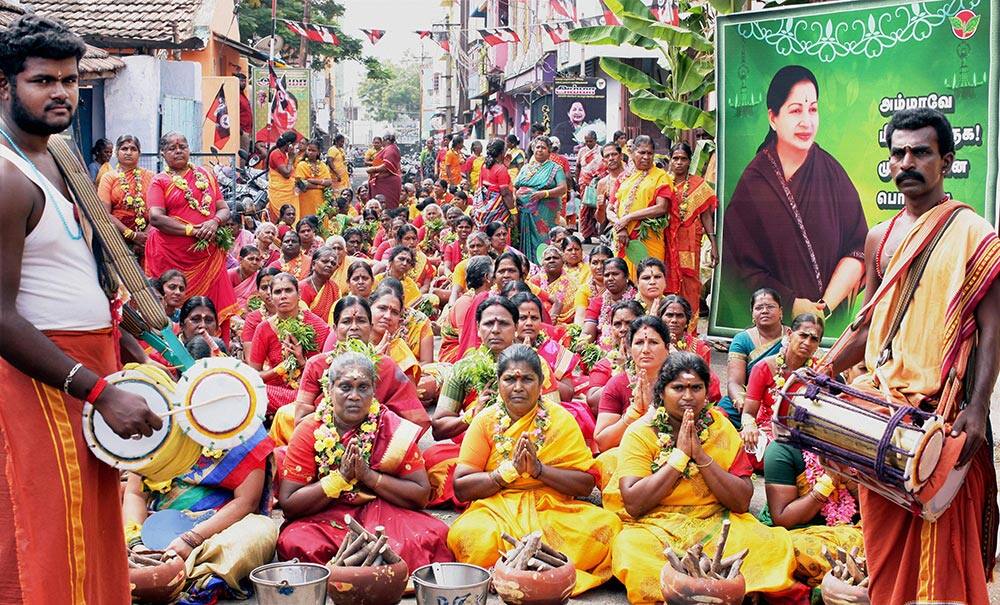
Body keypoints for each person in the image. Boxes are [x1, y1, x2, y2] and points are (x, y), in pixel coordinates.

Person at [0, 15, 162, 602]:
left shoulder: (62, 158)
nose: (62, 93)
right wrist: (95, 389)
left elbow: (77, 274)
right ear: (5, 86)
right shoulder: (7, 177)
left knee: (92, 527)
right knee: (49, 531)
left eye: (70, 81)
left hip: (90, 363)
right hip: (44, 378)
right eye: (43, 80)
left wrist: (126, 348)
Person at [824, 108, 1000, 604]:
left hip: (939, 418)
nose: (907, 162)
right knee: (883, 544)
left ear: (945, 160)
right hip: (880, 413)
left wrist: (978, 408)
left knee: (938, 552)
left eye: (921, 152)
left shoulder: (973, 234)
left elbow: (991, 329)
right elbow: (869, 330)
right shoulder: (879, 238)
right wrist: (821, 369)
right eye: (898, 152)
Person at [605, 352, 806, 604]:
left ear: (706, 391)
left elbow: (742, 501)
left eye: (696, 387)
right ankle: (691, 593)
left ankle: (721, 589)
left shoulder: (720, 427)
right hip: (656, 525)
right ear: (662, 392)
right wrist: (679, 457)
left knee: (768, 544)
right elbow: (634, 503)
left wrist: (700, 456)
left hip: (717, 520)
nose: (688, 396)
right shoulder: (641, 432)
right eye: (678, 387)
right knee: (630, 549)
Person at [447, 345, 621, 596]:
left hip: (554, 507)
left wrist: (539, 471)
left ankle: (509, 570)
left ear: (541, 385)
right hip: (497, 508)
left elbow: (585, 484)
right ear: (498, 383)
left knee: (608, 525)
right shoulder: (485, 420)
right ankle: (542, 569)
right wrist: (507, 472)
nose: (518, 387)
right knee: (467, 533)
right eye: (510, 379)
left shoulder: (560, 419)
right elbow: (461, 487)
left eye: (527, 379)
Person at [276, 353, 454, 572]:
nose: (354, 396)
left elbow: (420, 495)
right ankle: (371, 566)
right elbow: (290, 503)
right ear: (329, 390)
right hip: (325, 516)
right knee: (296, 541)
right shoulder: (309, 430)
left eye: (363, 387)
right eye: (345, 387)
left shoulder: (392, 427)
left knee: (430, 536)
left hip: (384, 512)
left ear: (374, 391)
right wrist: (340, 479)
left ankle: (351, 568)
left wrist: (369, 476)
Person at [724, 65, 867, 319]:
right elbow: (739, 266)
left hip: (827, 326)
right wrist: (791, 304)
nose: (806, 121)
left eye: (813, 109)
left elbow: (858, 247)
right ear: (773, 118)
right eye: (795, 111)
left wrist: (823, 308)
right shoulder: (754, 182)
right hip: (773, 327)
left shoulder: (832, 173)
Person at [121, 375, 276, 599]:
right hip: (153, 526)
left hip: (216, 532)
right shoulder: (161, 425)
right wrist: (136, 542)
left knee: (262, 531)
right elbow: (135, 493)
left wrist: (191, 539)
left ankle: (176, 575)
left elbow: (247, 502)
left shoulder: (246, 432)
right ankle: (150, 566)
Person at [269, 296, 429, 445]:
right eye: (346, 321)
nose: (354, 327)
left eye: (361, 321)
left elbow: (412, 419)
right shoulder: (316, 364)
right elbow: (301, 419)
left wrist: (375, 429)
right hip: (323, 444)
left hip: (375, 445)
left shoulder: (386, 366)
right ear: (335, 328)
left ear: (371, 327)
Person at [145, 131, 238, 337]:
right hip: (172, 258)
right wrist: (192, 230)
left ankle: (217, 351)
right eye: (172, 148)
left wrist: (214, 222)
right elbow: (156, 218)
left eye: (182, 146)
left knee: (212, 307)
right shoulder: (159, 181)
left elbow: (223, 208)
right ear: (163, 153)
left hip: (208, 259)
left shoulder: (206, 175)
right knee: (169, 308)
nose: (178, 151)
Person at [761, 438, 864, 589]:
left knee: (886, 540)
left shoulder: (858, 447)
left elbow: (872, 510)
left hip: (851, 531)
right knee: (793, 551)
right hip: (800, 533)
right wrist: (828, 481)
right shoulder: (783, 448)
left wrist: (847, 478)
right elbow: (783, 518)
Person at [594, 315, 672, 480]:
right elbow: (602, 442)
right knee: (607, 461)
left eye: (653, 342)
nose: (645, 349)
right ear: (629, 349)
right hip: (628, 455)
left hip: (672, 455)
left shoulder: (679, 383)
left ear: (667, 348)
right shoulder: (617, 384)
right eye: (638, 343)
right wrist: (633, 414)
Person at [511, 293, 595, 448]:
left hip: (552, 409)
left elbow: (568, 394)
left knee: (575, 415)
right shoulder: (502, 349)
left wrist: (538, 365)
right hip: (512, 409)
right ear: (512, 321)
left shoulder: (553, 349)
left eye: (534, 318)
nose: (529, 323)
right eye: (523, 318)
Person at [248, 272, 330, 415]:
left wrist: (302, 362)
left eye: (288, 290)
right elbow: (253, 375)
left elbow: (326, 376)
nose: (283, 296)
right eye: (278, 292)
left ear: (299, 295)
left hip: (309, 392)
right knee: (249, 389)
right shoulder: (263, 329)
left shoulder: (318, 326)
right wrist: (279, 369)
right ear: (271, 298)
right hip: (275, 391)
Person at [718, 288, 788, 428]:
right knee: (719, 417)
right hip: (748, 399)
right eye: (759, 308)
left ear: (781, 311)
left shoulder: (792, 338)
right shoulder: (742, 339)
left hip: (782, 399)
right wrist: (741, 401)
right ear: (752, 314)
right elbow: (734, 382)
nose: (764, 311)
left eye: (770, 307)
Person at [666, 142, 717, 330]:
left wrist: (713, 244)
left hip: (689, 243)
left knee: (690, 284)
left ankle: (689, 331)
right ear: (670, 160)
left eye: (683, 159)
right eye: (675, 158)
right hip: (666, 240)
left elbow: (706, 215)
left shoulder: (699, 185)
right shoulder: (663, 182)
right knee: (667, 281)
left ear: (690, 161)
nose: (679, 162)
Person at [610, 135, 672, 279]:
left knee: (650, 277)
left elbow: (662, 207)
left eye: (650, 153)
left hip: (648, 237)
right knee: (623, 281)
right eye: (642, 152)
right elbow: (610, 209)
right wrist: (621, 226)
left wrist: (629, 217)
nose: (646, 157)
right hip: (622, 237)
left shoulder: (661, 176)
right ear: (632, 153)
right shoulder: (624, 177)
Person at [97, 134, 153, 259]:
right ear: (117, 153)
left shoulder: (150, 176)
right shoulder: (109, 177)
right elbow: (104, 213)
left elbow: (158, 211)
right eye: (124, 149)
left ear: (139, 153)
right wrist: (132, 235)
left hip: (147, 240)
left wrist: (145, 236)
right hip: (117, 238)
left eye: (133, 149)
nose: (129, 152)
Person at [513, 136, 568, 259]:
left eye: (543, 147)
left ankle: (544, 265)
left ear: (549, 151)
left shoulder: (555, 168)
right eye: (537, 147)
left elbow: (563, 188)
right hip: (524, 212)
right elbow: (515, 185)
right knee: (526, 238)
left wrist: (544, 194)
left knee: (543, 240)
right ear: (533, 149)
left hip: (544, 212)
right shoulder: (526, 167)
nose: (540, 150)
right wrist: (514, 196)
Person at [439, 255, 494, 364]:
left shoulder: (487, 297)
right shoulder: (466, 302)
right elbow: (467, 342)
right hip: (455, 357)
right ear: (487, 277)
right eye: (496, 273)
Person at [583, 257, 637, 350]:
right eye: (607, 275)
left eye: (615, 274)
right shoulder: (597, 302)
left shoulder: (638, 299)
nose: (610, 278)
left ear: (627, 276)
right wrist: (583, 343)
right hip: (601, 353)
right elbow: (588, 333)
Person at [475, 139, 517, 235]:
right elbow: (505, 194)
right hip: (498, 207)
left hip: (485, 206)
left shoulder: (484, 165)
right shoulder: (501, 169)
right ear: (502, 152)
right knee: (499, 234)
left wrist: (505, 165)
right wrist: (514, 213)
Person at [530, 245, 576, 325]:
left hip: (567, 325)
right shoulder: (534, 281)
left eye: (555, 258)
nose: (552, 260)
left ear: (563, 261)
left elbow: (575, 309)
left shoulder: (573, 282)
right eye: (548, 259)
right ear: (542, 263)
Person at [299, 246, 341, 323]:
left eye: (333, 263)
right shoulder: (302, 287)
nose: (329, 265)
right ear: (313, 264)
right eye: (325, 261)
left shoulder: (334, 288)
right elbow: (301, 317)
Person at [576, 130, 604, 241]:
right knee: (585, 209)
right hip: (584, 183)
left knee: (596, 208)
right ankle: (586, 234)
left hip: (597, 183)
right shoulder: (582, 151)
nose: (588, 143)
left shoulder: (600, 150)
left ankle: (597, 233)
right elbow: (578, 167)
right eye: (586, 141)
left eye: (590, 141)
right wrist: (577, 181)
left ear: (596, 140)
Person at [574, 245, 613, 324]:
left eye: (604, 262)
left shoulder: (619, 287)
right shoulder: (584, 290)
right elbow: (580, 318)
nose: (599, 267)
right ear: (589, 265)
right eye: (595, 263)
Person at [294, 140, 332, 217]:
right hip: (306, 200)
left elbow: (329, 182)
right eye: (309, 150)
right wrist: (321, 185)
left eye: (313, 150)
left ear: (318, 152)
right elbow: (302, 184)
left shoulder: (322, 165)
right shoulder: (301, 165)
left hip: (320, 200)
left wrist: (313, 180)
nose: (310, 152)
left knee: (320, 222)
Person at [595, 143, 627, 235]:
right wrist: (601, 208)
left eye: (614, 154)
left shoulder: (632, 176)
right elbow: (601, 220)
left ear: (621, 156)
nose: (611, 158)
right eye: (607, 156)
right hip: (613, 230)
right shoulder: (603, 183)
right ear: (603, 160)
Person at [267, 130, 298, 220]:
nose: (295, 147)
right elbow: (286, 173)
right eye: (294, 144)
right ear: (289, 144)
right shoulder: (276, 154)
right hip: (280, 192)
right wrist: (291, 158)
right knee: (282, 216)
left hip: (289, 192)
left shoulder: (284, 154)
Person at [367, 131, 402, 208]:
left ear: (387, 140)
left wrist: (373, 169)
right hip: (383, 181)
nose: (382, 142)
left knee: (388, 206)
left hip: (387, 182)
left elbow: (387, 166)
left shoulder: (390, 149)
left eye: (383, 140)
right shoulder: (389, 148)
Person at [228, 245, 261, 310]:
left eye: (257, 260)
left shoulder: (259, 276)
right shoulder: (229, 275)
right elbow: (224, 298)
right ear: (240, 260)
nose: (255, 262)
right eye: (251, 259)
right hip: (231, 311)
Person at [236, 72, 252, 152]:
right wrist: (241, 132)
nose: (244, 83)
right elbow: (234, 114)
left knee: (245, 153)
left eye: (245, 81)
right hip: (242, 132)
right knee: (243, 154)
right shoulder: (236, 95)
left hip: (247, 130)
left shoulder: (243, 95)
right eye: (241, 81)